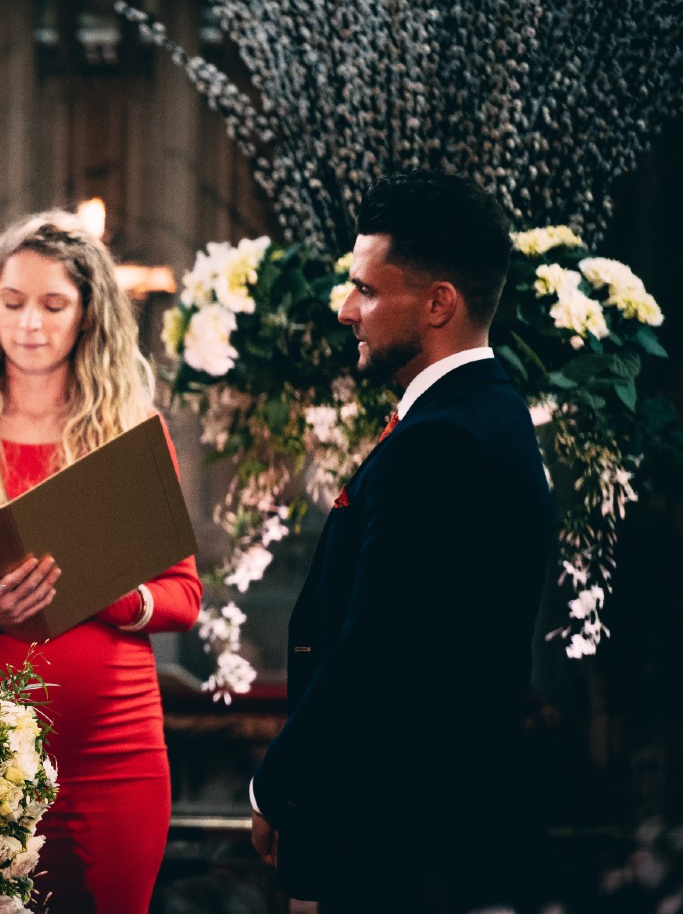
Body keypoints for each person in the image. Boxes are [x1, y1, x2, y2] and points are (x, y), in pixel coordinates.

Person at [249, 171, 552, 911]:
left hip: (405, 840)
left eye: (367, 289)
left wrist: (276, 783)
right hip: (439, 830)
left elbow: (379, 650)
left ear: (439, 303)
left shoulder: (440, 442)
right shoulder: (492, 412)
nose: (346, 309)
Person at [0, 212, 203, 914]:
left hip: (114, 753)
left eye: (53, 305)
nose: (29, 323)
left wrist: (109, 594)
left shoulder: (132, 436)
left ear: (88, 315)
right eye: (12, 303)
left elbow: (183, 597)